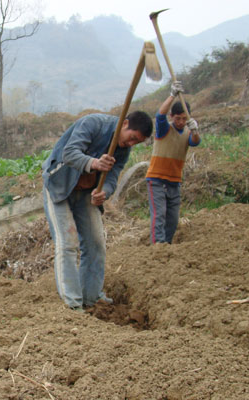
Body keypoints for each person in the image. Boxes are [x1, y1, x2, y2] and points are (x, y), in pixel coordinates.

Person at [42, 111, 153, 311]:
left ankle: (91, 298)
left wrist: (104, 192)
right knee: (67, 243)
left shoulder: (122, 150)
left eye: (137, 143)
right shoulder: (93, 124)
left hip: (85, 193)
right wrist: (94, 163)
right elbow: (69, 153)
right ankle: (73, 304)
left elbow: (113, 176)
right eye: (132, 138)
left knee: (96, 243)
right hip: (59, 185)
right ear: (125, 124)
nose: (131, 144)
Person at [145, 81, 201, 244]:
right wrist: (172, 95)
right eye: (178, 118)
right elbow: (159, 116)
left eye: (184, 119)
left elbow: (195, 142)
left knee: (172, 218)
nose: (181, 122)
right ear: (172, 117)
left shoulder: (188, 132)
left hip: (174, 181)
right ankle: (158, 246)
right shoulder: (164, 129)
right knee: (159, 215)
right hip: (156, 179)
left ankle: (166, 245)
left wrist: (195, 130)